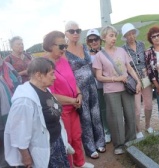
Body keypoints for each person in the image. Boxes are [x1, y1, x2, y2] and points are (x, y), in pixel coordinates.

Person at [4, 57, 71, 167]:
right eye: (51, 74)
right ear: (38, 75)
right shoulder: (24, 100)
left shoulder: (45, 89)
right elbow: (19, 132)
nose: (54, 78)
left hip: (55, 143)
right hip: (44, 149)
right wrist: (26, 157)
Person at [43, 31, 93, 168]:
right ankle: (69, 165)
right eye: (61, 46)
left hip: (73, 107)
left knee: (77, 136)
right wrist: (72, 101)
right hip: (61, 110)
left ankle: (80, 162)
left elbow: (72, 81)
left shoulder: (63, 61)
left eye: (65, 46)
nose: (64, 49)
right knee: (67, 140)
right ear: (50, 45)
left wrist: (79, 95)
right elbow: (50, 94)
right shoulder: (44, 66)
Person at [93, 25, 141, 155]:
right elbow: (98, 76)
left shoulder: (122, 51)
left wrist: (137, 82)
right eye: (111, 36)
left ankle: (131, 140)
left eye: (115, 35)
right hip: (111, 91)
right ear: (104, 38)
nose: (114, 38)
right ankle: (118, 144)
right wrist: (116, 78)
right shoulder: (99, 56)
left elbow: (130, 69)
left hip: (127, 88)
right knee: (116, 118)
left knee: (130, 114)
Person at [65, 21, 106, 159]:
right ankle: (90, 147)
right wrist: (75, 92)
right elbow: (67, 74)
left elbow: (91, 66)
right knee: (85, 118)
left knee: (96, 114)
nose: (75, 33)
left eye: (78, 30)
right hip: (79, 89)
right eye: (72, 31)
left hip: (92, 85)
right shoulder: (64, 52)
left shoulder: (84, 47)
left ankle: (100, 142)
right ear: (66, 33)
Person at [121, 23, 154, 138]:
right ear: (125, 37)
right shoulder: (123, 49)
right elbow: (124, 66)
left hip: (145, 78)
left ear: (135, 33)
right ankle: (138, 129)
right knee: (136, 109)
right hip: (133, 80)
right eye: (128, 35)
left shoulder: (141, 44)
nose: (131, 36)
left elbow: (146, 59)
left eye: (132, 33)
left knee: (148, 104)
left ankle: (148, 125)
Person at [0, 39, 21, 168]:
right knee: (5, 162)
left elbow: (20, 87)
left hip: (18, 120)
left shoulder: (7, 66)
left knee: (22, 157)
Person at [86, 28, 111, 143]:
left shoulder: (106, 51)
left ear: (100, 40)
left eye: (95, 39)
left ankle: (112, 128)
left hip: (108, 84)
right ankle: (105, 130)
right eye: (91, 40)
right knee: (100, 109)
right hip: (95, 87)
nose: (94, 42)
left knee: (110, 108)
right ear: (88, 42)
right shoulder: (86, 55)